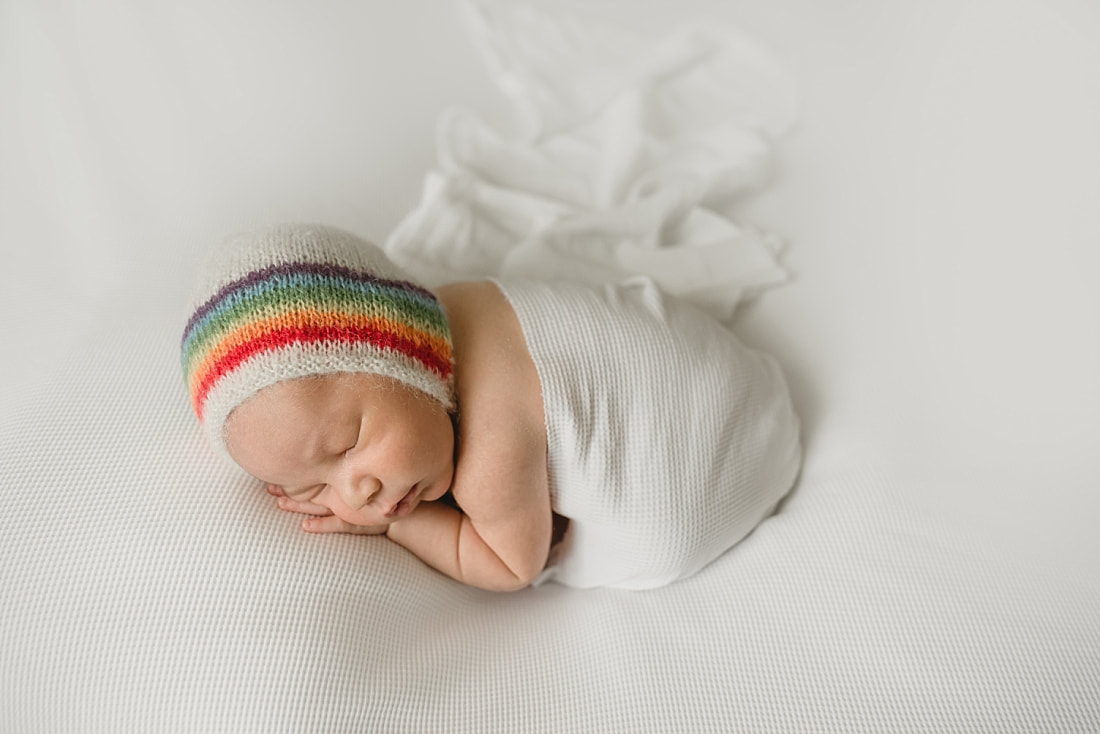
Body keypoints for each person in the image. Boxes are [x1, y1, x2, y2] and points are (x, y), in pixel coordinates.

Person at [182, 223, 801, 592]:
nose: (356, 492)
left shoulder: (489, 458)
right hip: (716, 365)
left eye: (347, 445)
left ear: (407, 346)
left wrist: (399, 523)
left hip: (721, 462)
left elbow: (511, 567)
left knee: (658, 534)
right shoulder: (457, 300)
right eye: (314, 489)